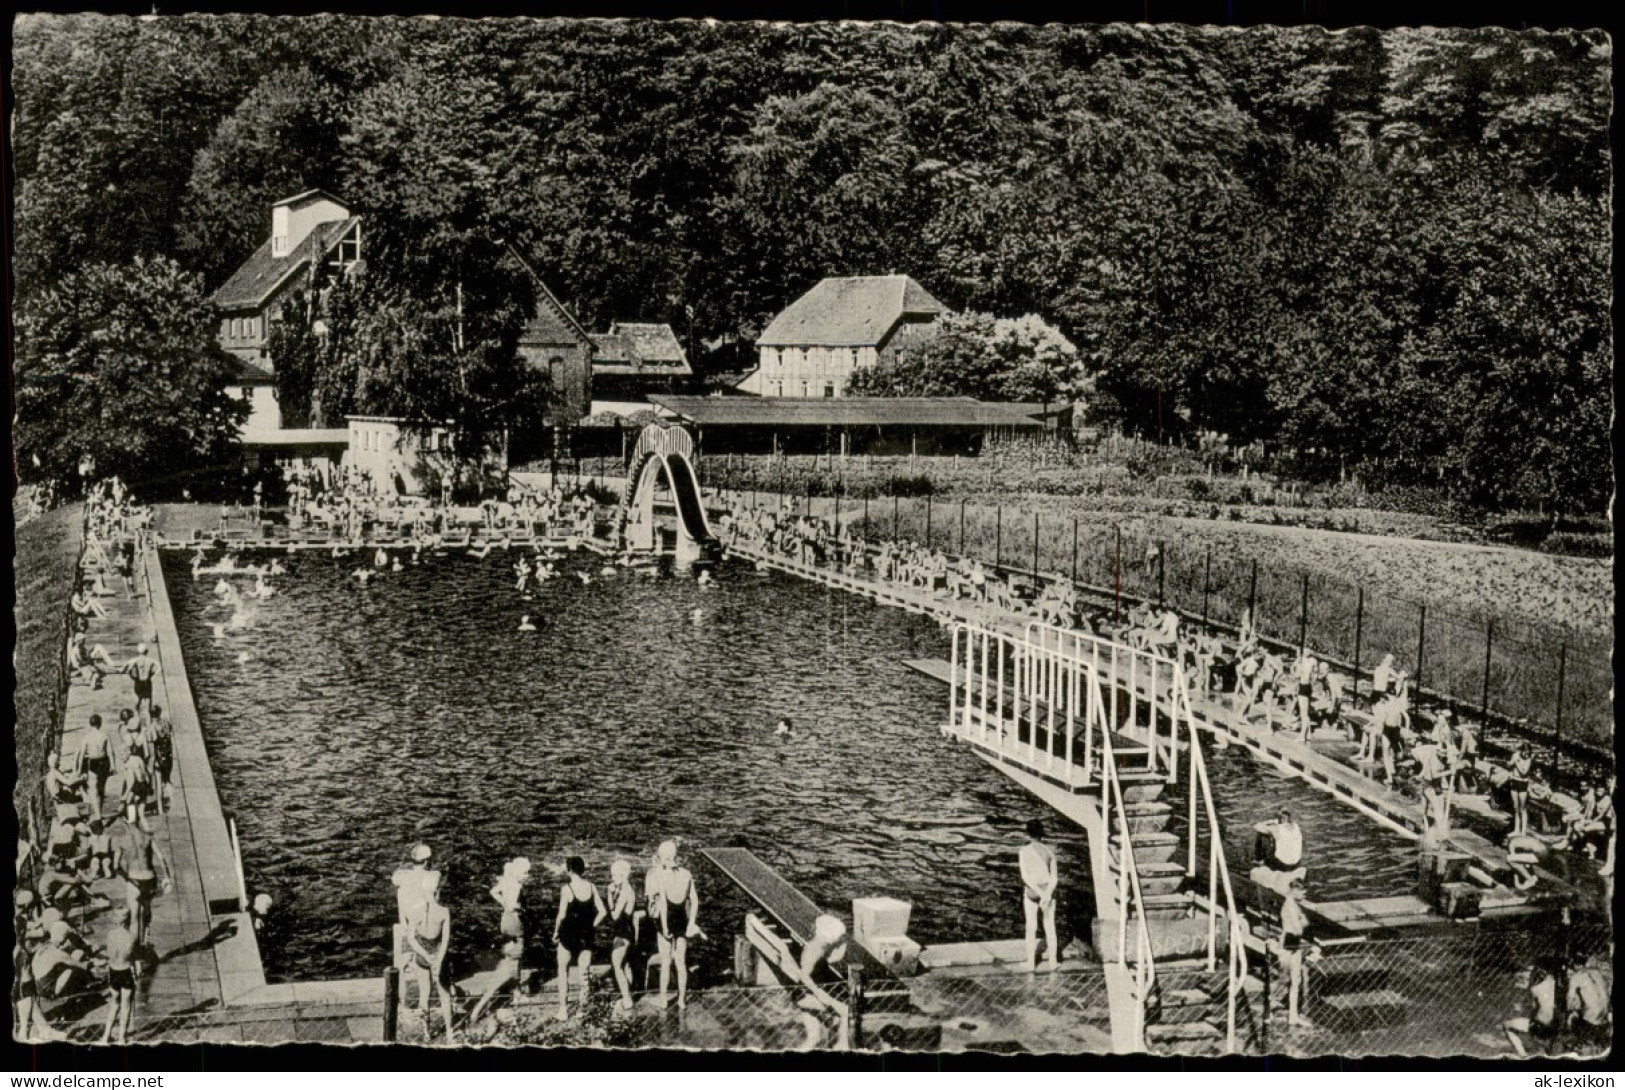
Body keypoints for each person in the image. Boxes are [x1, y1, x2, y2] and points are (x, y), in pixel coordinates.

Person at [552, 856, 606, 1020]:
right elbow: (603, 912)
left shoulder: (567, 889)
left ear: (569, 870)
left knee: (563, 971)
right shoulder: (591, 887)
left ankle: (563, 1010)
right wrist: (593, 925)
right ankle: (582, 1009)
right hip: (586, 935)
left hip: (568, 934)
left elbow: (561, 915)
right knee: (584, 974)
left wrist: (555, 932)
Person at [649, 839, 700, 1009]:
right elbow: (694, 901)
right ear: (676, 856)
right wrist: (691, 922)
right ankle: (682, 1000)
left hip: (667, 921)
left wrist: (664, 928)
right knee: (681, 963)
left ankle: (664, 1000)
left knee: (665, 962)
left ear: (663, 858)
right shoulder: (687, 874)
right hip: (682, 921)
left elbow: (663, 904)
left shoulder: (661, 876)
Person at [403, 880, 454, 1043]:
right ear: (437, 891)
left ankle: (426, 1033)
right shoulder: (444, 911)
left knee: (424, 994)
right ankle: (450, 1031)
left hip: (422, 956)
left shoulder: (413, 911)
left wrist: (425, 955)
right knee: (444, 994)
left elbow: (411, 939)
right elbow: (445, 940)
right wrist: (438, 960)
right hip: (440, 954)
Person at [120, 810, 172, 949]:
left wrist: (126, 877)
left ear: (124, 822)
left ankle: (135, 949)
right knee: (146, 910)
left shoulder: (123, 840)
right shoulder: (147, 837)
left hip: (133, 879)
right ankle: (146, 938)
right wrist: (167, 877)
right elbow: (161, 858)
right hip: (149, 878)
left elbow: (115, 866)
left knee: (134, 917)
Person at [1018, 819, 1059, 973]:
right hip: (1048, 891)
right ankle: (1053, 962)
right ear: (1042, 833)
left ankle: (1030, 963)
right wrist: (1047, 894)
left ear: (1028, 833)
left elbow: (1025, 877)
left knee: (1031, 927)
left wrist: (1039, 893)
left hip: (1032, 892)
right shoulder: (1050, 851)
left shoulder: (1024, 851)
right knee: (1050, 926)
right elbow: (1054, 877)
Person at [1504, 958, 1562, 1056]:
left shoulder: (1535, 988)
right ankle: (1540, 1047)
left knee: (1506, 1025)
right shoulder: (1556, 982)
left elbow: (1534, 1008)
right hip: (1557, 1025)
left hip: (1541, 1026)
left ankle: (1523, 1055)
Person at [605, 858, 640, 1014]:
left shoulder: (626, 891)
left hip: (623, 933)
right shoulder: (623, 889)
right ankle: (628, 995)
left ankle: (627, 999)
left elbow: (614, 915)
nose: (612, 879)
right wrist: (610, 894)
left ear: (622, 875)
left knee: (617, 965)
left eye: (614, 876)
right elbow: (613, 906)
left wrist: (609, 895)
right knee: (625, 965)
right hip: (625, 931)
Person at [101, 905, 139, 1044]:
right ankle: (122, 1038)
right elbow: (134, 955)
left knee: (114, 1004)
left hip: (113, 970)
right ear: (128, 920)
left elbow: (110, 954)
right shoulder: (132, 937)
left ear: (116, 919)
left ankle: (105, 1036)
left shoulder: (110, 935)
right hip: (125, 970)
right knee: (126, 1005)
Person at [1276, 878, 1311, 1028]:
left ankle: (1293, 1016)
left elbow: (1303, 923)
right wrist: (1301, 922)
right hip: (1286, 947)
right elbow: (1299, 928)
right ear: (1295, 890)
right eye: (1303, 892)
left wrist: (1301, 922)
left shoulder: (1295, 905)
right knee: (1284, 981)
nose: (1304, 895)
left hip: (1294, 946)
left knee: (1295, 981)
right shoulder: (1290, 906)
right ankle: (1272, 1011)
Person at [77, 714, 116, 819]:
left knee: (93, 790)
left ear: (90, 724)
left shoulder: (87, 737)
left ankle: (98, 814)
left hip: (93, 763)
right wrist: (113, 765)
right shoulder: (105, 735)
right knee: (101, 789)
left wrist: (79, 769)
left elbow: (81, 755)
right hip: (104, 762)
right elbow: (110, 752)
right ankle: (100, 810)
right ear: (100, 723)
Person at [147, 705, 174, 815]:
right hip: (168, 756)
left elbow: (152, 750)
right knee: (166, 780)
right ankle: (171, 801)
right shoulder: (167, 723)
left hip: (158, 758)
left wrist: (150, 765)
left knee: (158, 783)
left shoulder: (151, 728)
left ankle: (160, 808)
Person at [122, 643, 159, 717]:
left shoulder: (135, 660)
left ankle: (136, 715)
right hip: (147, 682)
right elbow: (159, 667)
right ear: (147, 651)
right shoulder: (150, 660)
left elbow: (126, 665)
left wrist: (127, 672)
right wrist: (153, 676)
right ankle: (149, 715)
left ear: (138, 651)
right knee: (149, 698)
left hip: (138, 682)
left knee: (138, 697)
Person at [1509, 744, 1534, 837]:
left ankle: (1523, 831)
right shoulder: (1516, 755)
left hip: (1523, 783)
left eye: (1528, 753)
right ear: (1522, 751)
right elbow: (1510, 764)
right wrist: (1512, 762)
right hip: (1515, 781)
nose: (1527, 755)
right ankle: (1516, 829)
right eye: (1525, 753)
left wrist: (1517, 763)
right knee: (1515, 808)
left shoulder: (1529, 759)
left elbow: (1524, 772)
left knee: (1522, 808)